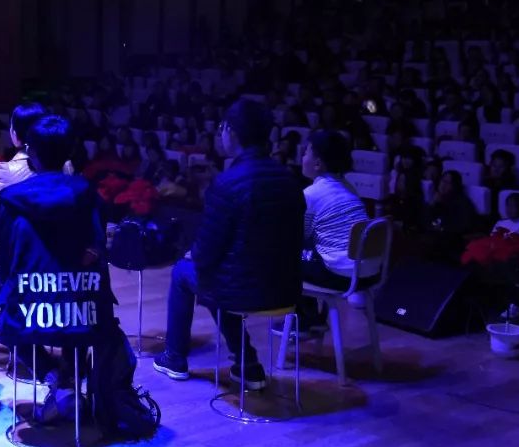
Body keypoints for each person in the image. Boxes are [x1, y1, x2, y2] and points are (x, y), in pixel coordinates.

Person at [153, 99, 305, 390]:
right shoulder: (290, 180)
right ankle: (248, 365)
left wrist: (193, 254)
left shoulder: (227, 183)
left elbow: (207, 253)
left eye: (223, 127)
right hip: (287, 290)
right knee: (220, 277)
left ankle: (174, 357)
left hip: (243, 289)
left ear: (232, 132)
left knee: (185, 272)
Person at [0, 115, 111, 401]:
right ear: (70, 151)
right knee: (79, 306)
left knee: (7, 326)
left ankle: (52, 376)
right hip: (83, 307)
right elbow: (98, 251)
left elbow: (4, 261)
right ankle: (69, 380)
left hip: (30, 306)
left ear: (30, 151)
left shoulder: (10, 198)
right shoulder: (90, 195)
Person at [0, 102, 46, 363]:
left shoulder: (3, 171)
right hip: (55, 268)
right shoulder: (65, 168)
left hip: (18, 268)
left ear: (14, 134)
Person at [291, 130, 374, 331]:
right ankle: (314, 318)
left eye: (306, 152)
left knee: (287, 256)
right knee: (308, 252)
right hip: (369, 272)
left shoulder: (311, 194)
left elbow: (299, 236)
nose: (302, 157)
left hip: (340, 275)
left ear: (318, 164)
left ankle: (303, 322)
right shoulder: (349, 188)